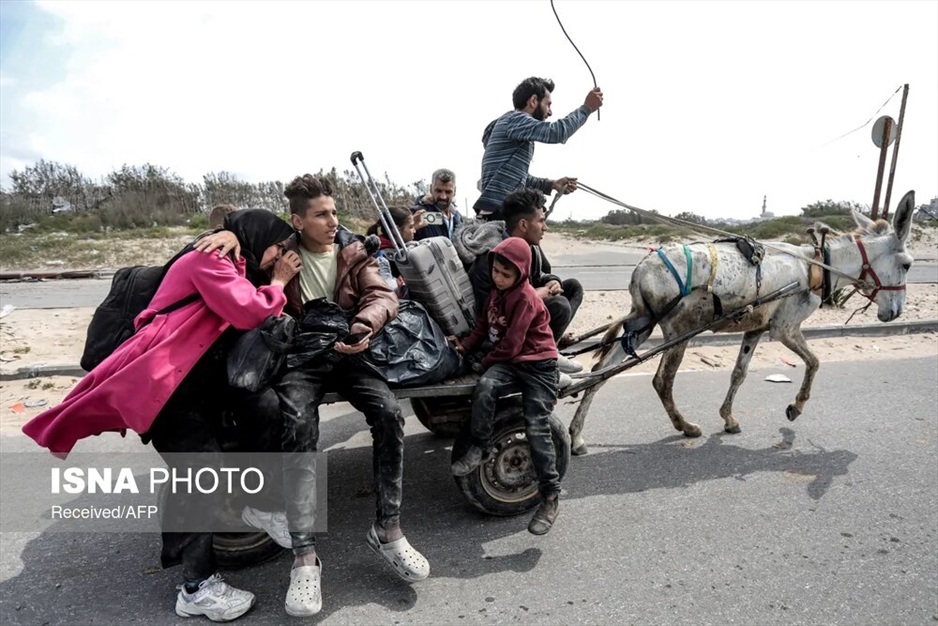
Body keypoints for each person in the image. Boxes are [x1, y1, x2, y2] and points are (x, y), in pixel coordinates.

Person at [22, 210, 303, 622]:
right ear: (260, 238)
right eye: (280, 246)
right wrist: (278, 282)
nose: (282, 256)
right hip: (165, 384)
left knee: (263, 410)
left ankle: (258, 506)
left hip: (192, 381)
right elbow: (248, 312)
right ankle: (196, 588)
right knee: (199, 475)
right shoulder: (209, 258)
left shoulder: (234, 259)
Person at [203, 174, 429, 616]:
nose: (332, 221)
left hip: (348, 347)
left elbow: (382, 295)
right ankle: (305, 557)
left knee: (388, 413)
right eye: (321, 214)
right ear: (298, 220)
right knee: (300, 429)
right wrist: (223, 230)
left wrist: (365, 325)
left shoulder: (352, 248)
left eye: (334, 212)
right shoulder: (277, 250)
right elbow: (221, 236)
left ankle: (388, 529)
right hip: (298, 356)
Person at [449, 237, 562, 535]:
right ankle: (481, 447)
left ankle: (550, 495)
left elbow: (511, 345)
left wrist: (483, 361)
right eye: (496, 271)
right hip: (512, 361)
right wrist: (465, 347)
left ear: (522, 274)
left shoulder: (525, 298)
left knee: (537, 425)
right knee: (485, 388)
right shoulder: (496, 295)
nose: (499, 278)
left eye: (506, 274)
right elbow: (484, 328)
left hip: (538, 365)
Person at [468, 188, 584, 377]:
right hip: (501, 327)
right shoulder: (494, 257)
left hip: (524, 311)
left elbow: (541, 274)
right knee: (560, 305)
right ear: (523, 224)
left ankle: (550, 349)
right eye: (540, 221)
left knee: (572, 287)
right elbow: (489, 308)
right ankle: (543, 363)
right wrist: (535, 295)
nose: (545, 227)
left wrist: (551, 282)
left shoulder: (530, 248)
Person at [473, 76, 603, 219]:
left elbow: (520, 179)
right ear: (534, 101)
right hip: (499, 212)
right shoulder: (515, 120)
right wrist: (587, 108)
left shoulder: (513, 127)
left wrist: (552, 184)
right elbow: (557, 132)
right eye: (548, 104)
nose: (550, 112)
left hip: (497, 210)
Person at [366, 205, 416, 298]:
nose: (415, 231)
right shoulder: (381, 254)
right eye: (411, 227)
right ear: (396, 229)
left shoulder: (398, 248)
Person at [412, 168, 462, 240]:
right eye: (438, 191)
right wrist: (411, 228)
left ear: (455, 191)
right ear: (431, 189)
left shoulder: (457, 217)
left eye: (448, 192)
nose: (443, 197)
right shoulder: (420, 214)